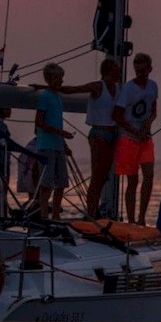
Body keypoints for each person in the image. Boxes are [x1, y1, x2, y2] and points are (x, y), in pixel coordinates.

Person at [59, 58, 121, 218]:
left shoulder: (118, 88)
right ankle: (91, 212)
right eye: (116, 69)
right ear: (109, 70)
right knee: (97, 175)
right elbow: (74, 90)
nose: (119, 72)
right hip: (98, 133)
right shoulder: (98, 86)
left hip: (112, 134)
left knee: (104, 175)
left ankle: (97, 208)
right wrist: (50, 87)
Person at [113, 52, 158, 226]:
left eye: (143, 70)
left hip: (145, 138)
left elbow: (154, 109)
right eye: (137, 70)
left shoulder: (153, 86)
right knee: (132, 179)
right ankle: (131, 219)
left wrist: (149, 122)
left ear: (149, 69)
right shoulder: (128, 89)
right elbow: (117, 115)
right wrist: (133, 130)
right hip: (129, 138)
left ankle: (141, 218)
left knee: (149, 175)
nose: (140, 74)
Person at [33, 63, 73, 220]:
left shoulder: (57, 97)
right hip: (46, 145)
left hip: (58, 146)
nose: (61, 81)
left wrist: (64, 144)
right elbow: (39, 122)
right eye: (58, 78)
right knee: (47, 183)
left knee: (62, 182)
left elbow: (57, 122)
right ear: (50, 79)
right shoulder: (45, 96)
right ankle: (44, 215)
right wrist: (61, 133)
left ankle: (56, 215)